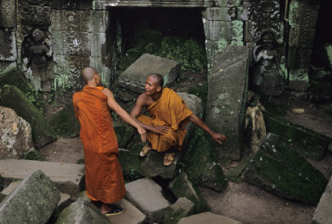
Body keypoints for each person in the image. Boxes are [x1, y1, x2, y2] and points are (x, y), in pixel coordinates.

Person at [73, 67, 147, 216]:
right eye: (98, 75)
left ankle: (95, 200)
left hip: (89, 141)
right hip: (104, 141)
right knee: (108, 171)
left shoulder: (77, 97)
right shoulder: (104, 93)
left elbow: (79, 117)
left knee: (93, 169)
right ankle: (106, 207)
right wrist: (138, 126)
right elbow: (119, 111)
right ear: (95, 77)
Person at [130, 73, 226, 166]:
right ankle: (152, 143)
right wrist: (153, 129)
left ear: (158, 88)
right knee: (136, 121)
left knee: (168, 136)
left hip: (170, 128)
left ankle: (170, 150)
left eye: (149, 85)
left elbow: (191, 116)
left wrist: (211, 133)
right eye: (146, 83)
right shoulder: (143, 98)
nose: (146, 86)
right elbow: (132, 117)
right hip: (156, 125)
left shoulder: (170, 97)